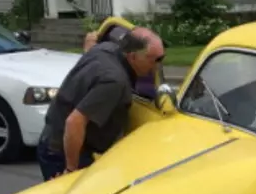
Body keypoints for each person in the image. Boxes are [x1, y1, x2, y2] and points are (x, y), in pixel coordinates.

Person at [37, 27, 165, 181]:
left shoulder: (104, 49)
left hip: (53, 140)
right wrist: (71, 170)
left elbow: (91, 53)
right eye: (154, 60)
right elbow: (74, 122)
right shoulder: (114, 82)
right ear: (132, 57)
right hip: (63, 154)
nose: (156, 66)